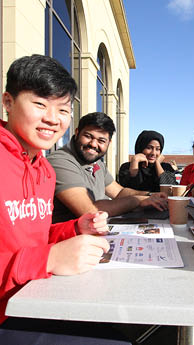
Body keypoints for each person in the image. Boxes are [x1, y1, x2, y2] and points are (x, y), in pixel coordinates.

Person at [0, 55, 131, 344]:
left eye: (63, 109)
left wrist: (75, 229)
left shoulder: (44, 170)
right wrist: (48, 258)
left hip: (35, 296)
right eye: (39, 104)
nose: (52, 118)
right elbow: (37, 254)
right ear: (8, 102)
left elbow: (31, 237)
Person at [47, 113, 168, 223]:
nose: (94, 144)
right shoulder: (60, 161)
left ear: (109, 143)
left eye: (101, 140)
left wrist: (150, 195)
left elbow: (119, 192)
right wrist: (138, 200)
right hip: (67, 240)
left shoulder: (96, 162)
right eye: (88, 136)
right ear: (77, 132)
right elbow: (90, 211)